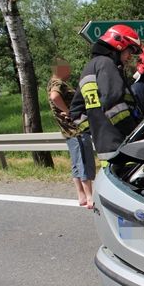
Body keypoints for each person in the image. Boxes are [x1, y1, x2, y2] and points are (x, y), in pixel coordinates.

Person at [69, 24, 144, 162]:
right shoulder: (107, 65)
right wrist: (135, 132)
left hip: (104, 148)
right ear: (119, 45)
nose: (129, 57)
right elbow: (113, 104)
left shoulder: (90, 67)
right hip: (122, 146)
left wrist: (97, 130)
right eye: (129, 51)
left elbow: (75, 112)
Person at [47, 58, 95, 208]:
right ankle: (89, 197)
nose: (70, 71)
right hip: (76, 130)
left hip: (68, 131)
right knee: (83, 161)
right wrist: (69, 112)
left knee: (76, 163)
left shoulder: (51, 82)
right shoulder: (58, 83)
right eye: (67, 68)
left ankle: (81, 195)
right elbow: (54, 96)